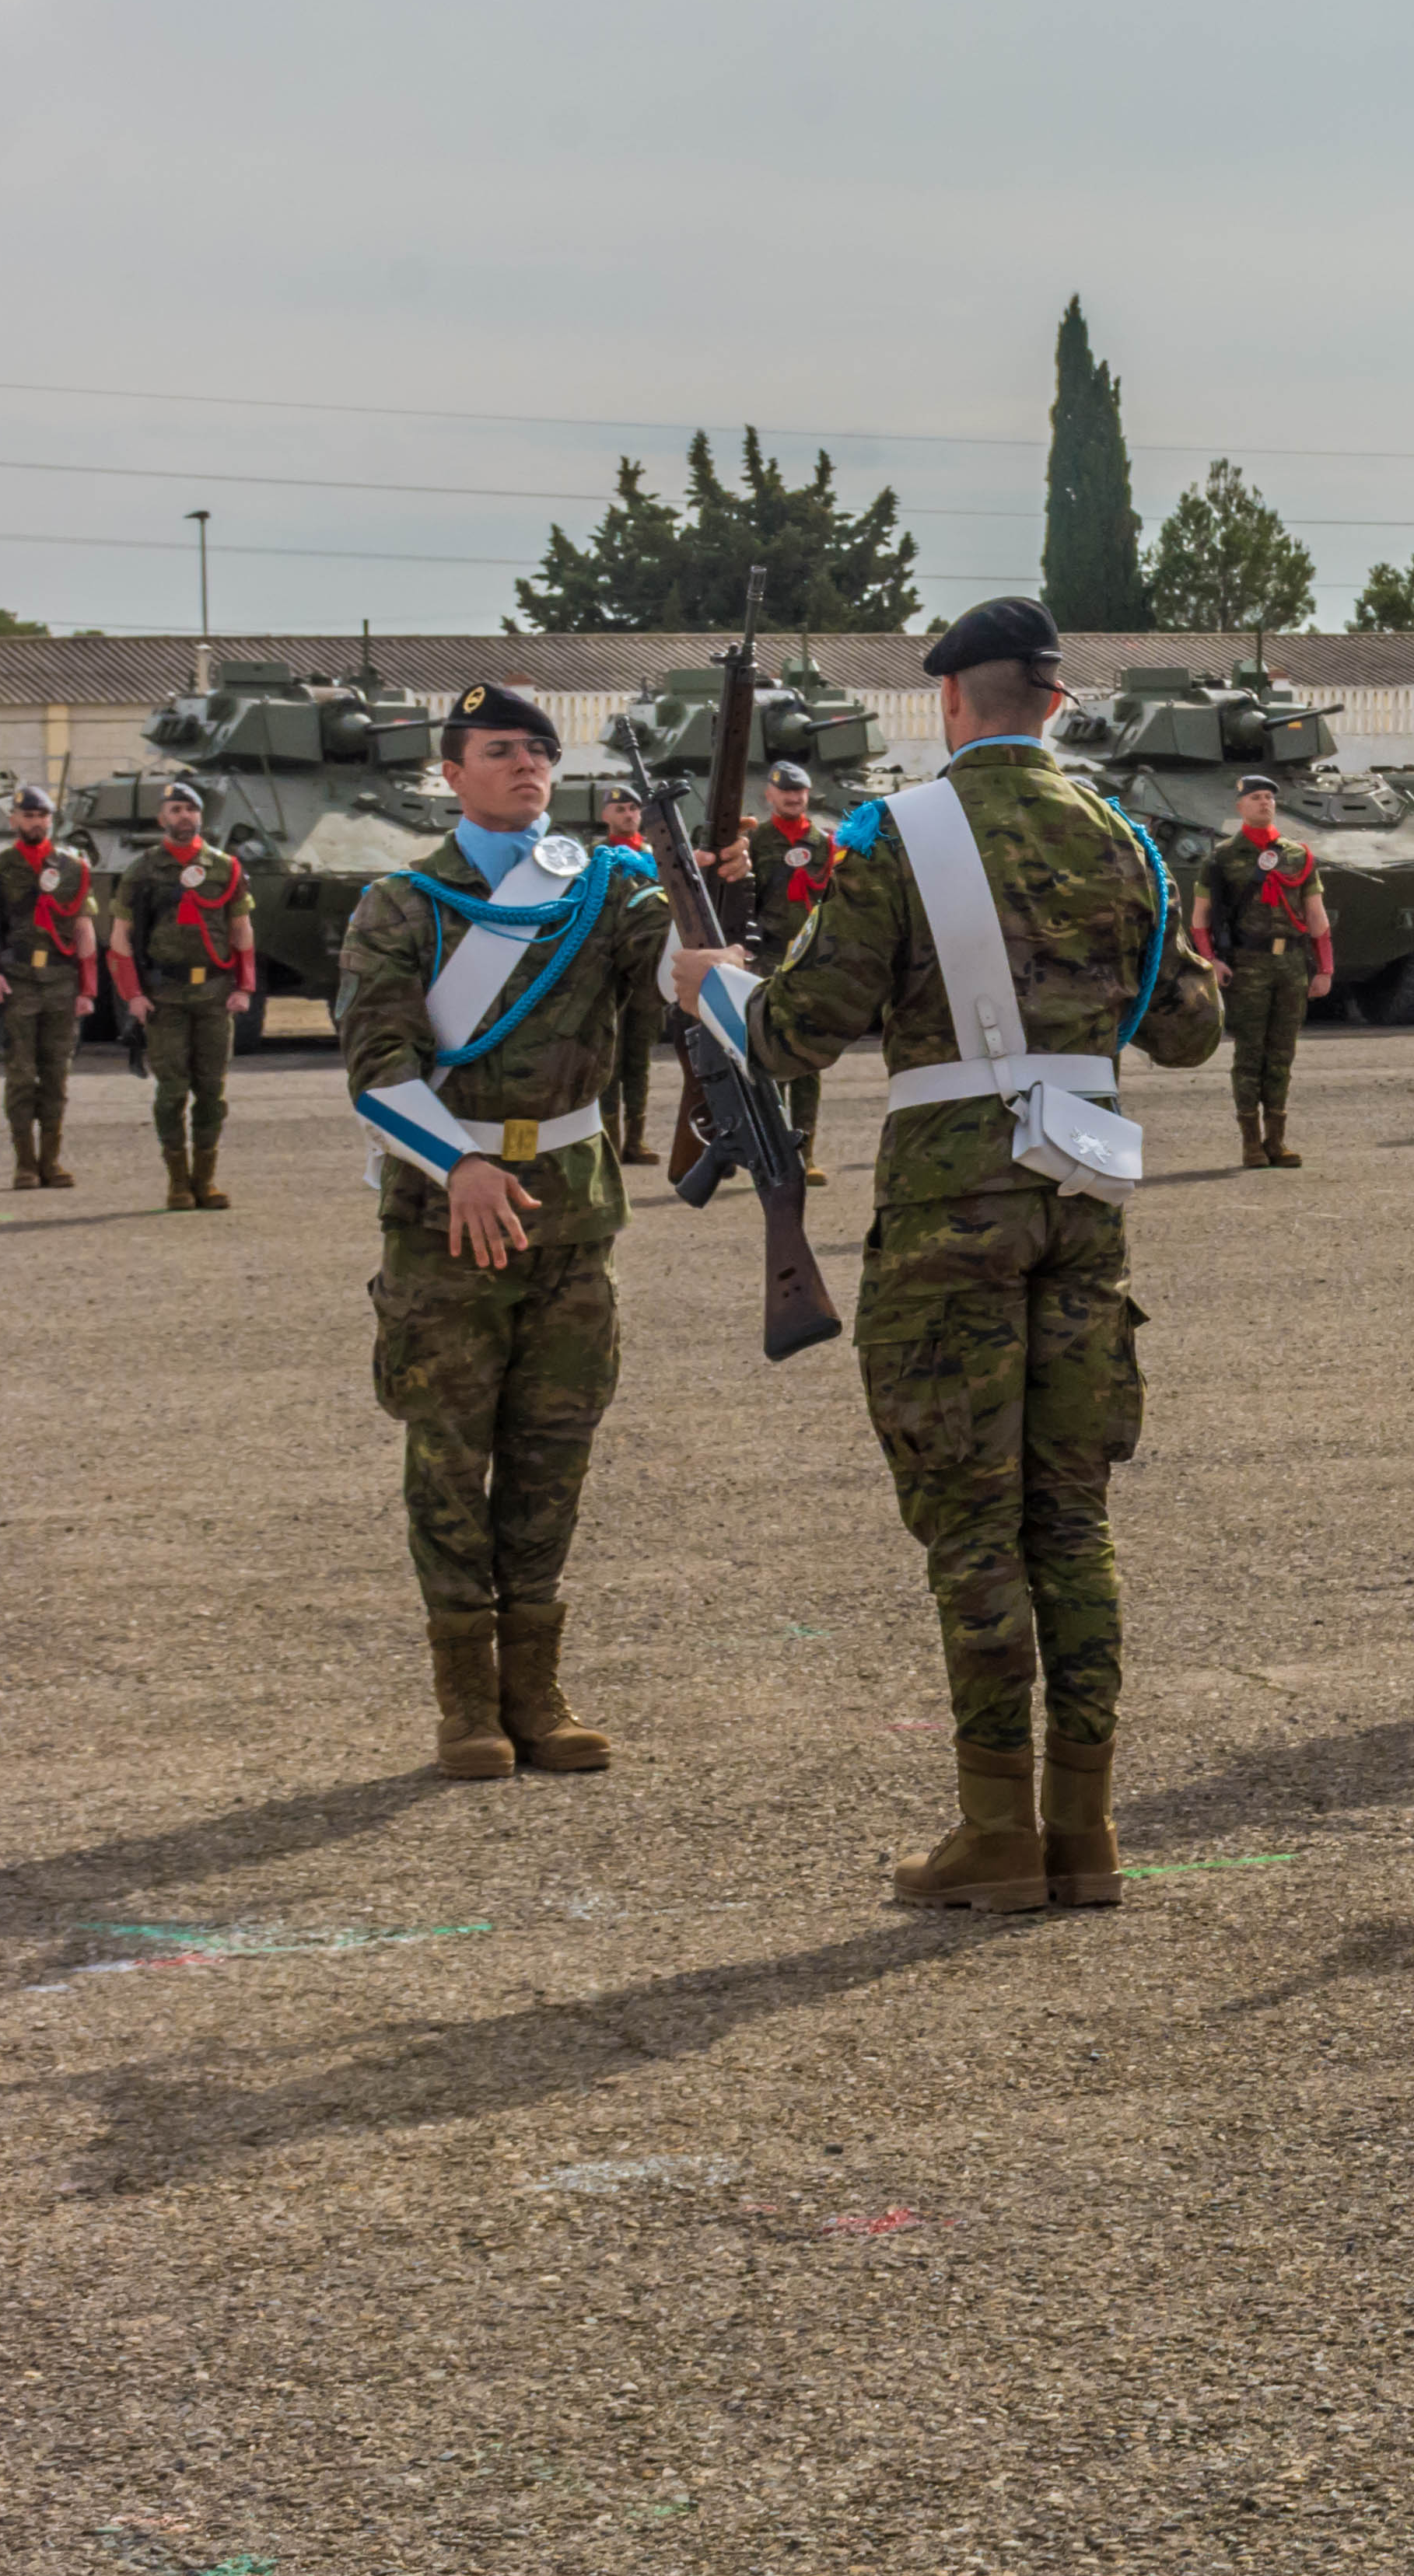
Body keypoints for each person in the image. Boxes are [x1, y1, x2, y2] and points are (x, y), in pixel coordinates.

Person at [671, 599, 1226, 1912]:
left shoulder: (899, 839)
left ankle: (996, 1833)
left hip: (948, 1211)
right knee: (1071, 1518)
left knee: (972, 1520)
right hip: (1084, 1200)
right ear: (1052, 702)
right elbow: (1194, 1029)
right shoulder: (1130, 845)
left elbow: (800, 1032)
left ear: (950, 705)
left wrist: (709, 979)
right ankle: (1084, 1833)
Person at [335, 685, 669, 1780]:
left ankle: (538, 1693)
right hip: (446, 1219)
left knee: (552, 1457)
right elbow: (376, 1069)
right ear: (452, 771)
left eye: (540, 750)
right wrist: (460, 1163)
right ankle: (465, 1706)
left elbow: (672, 988)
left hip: (570, 1209)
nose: (527, 766)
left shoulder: (605, 889)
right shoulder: (404, 903)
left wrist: (713, 918)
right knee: (448, 1456)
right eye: (500, 750)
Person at [108, 778, 258, 1211]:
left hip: (214, 993)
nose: (183, 817)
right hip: (164, 997)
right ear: (162, 818)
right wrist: (132, 995)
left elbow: (242, 930)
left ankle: (205, 1181)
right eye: (174, 810)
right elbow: (120, 939)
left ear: (201, 817)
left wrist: (245, 986)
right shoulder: (143, 870)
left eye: (190, 810)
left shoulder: (225, 868)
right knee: (172, 1091)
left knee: (213, 1091)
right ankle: (177, 1182)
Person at [1193, 771, 1334, 1169]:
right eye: (1255, 797)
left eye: (1269, 797)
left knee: (1282, 1054)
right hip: (1246, 966)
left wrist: (1324, 968)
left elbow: (1317, 917)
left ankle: (1277, 1141)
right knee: (1249, 1053)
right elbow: (1200, 918)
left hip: (1290, 965)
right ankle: (1251, 1143)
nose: (1264, 802)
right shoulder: (1221, 858)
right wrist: (1212, 961)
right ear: (1240, 806)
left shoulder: (1299, 856)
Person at [0, 784, 96, 1190]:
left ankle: (51, 1162)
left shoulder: (72, 868)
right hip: (17, 982)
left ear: (50, 821)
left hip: (60, 982)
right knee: (21, 1076)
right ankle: (25, 1163)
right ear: (14, 821)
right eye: (28, 816)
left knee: (57, 1074)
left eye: (42, 817)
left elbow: (84, 931)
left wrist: (88, 990)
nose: (35, 823)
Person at [746, 759, 838, 1184]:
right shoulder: (754, 842)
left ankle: (806, 1154)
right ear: (770, 794)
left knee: (808, 1058)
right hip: (765, 958)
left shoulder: (823, 843)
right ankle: (772, 1151)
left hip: (808, 959)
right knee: (766, 1056)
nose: (793, 797)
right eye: (785, 791)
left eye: (799, 791)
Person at [593, 786, 670, 1166]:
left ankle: (635, 1140)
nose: (628, 814)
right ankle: (609, 1138)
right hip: (609, 970)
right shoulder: (598, 858)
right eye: (620, 808)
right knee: (608, 1058)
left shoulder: (655, 857)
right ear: (605, 815)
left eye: (633, 808)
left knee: (638, 1059)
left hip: (645, 974)